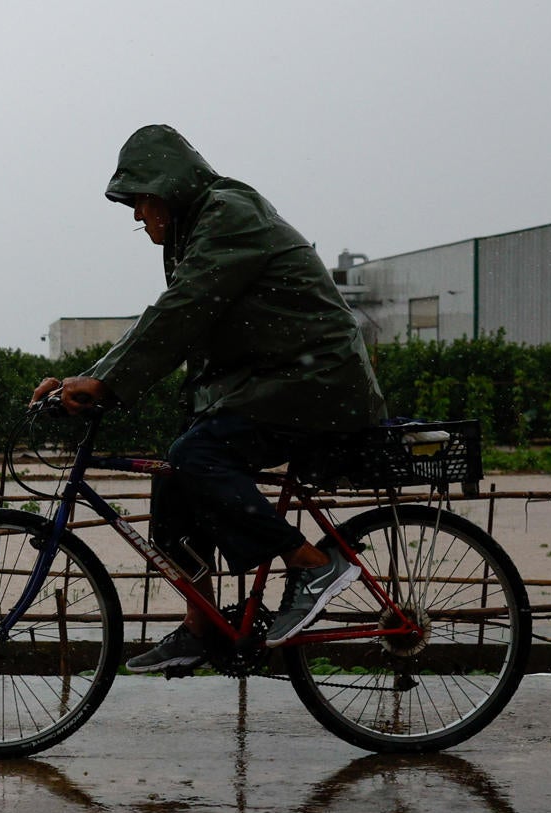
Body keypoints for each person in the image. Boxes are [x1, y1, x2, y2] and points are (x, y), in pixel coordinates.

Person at [31, 124, 386, 672]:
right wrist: (89, 377)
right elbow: (174, 316)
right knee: (177, 474)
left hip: (317, 386)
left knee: (197, 457)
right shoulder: (199, 229)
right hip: (276, 385)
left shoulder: (228, 215)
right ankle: (201, 627)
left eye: (140, 200)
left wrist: (105, 383)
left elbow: (181, 312)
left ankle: (313, 564)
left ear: (168, 190)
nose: (135, 214)